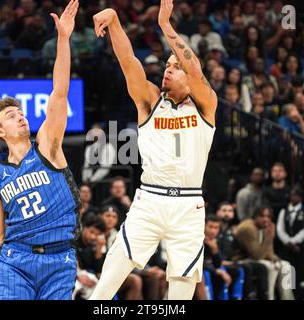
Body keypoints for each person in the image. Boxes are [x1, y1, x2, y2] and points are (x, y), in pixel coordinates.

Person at [90, 0, 217, 300]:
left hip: (188, 205)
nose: (168, 70)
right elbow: (128, 62)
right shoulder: (149, 101)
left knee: (181, 292)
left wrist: (165, 25)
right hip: (149, 199)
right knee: (109, 279)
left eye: (176, 67)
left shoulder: (205, 105)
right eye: (167, 66)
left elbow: (195, 68)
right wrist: (114, 21)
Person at [0, 0, 80, 301]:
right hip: (15, 260)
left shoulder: (48, 144)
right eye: (12, 116)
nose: (21, 116)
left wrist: (63, 40)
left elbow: (60, 91)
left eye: (21, 112)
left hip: (59, 259)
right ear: (1, 132)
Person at [233, 205, 295, 300]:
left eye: (269, 217)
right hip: (242, 259)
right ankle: (268, 297)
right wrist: (268, 236)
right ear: (255, 216)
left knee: (287, 266)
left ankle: (288, 298)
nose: (266, 219)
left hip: (257, 258)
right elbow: (256, 255)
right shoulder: (248, 228)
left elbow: (269, 252)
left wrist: (275, 259)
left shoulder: (264, 227)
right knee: (270, 267)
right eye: (262, 216)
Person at [276, 185, 304, 285]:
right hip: (286, 248)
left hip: (302, 248)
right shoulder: (284, 211)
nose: (294, 197)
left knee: (301, 274)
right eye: (292, 195)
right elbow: (280, 229)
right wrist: (288, 242)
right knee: (287, 275)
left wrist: (294, 241)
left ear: (301, 197)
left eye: (297, 195)